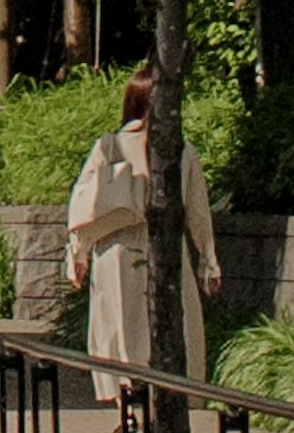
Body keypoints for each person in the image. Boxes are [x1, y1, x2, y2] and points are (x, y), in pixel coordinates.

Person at [66, 63, 222, 393]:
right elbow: (197, 211)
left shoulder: (108, 146)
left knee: (117, 328)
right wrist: (208, 260)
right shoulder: (182, 151)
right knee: (168, 327)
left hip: (114, 247)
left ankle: (124, 406)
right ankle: (161, 402)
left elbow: (84, 203)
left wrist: (77, 255)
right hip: (166, 246)